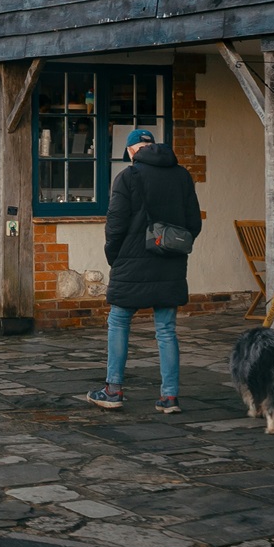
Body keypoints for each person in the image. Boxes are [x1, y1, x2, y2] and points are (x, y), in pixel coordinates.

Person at [87, 129, 202, 414]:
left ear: (131, 151)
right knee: (166, 330)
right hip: (171, 263)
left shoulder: (128, 177)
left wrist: (114, 257)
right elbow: (193, 223)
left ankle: (113, 391)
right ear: (153, 146)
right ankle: (170, 397)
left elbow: (115, 224)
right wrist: (172, 246)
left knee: (118, 322)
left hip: (131, 262)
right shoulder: (182, 176)